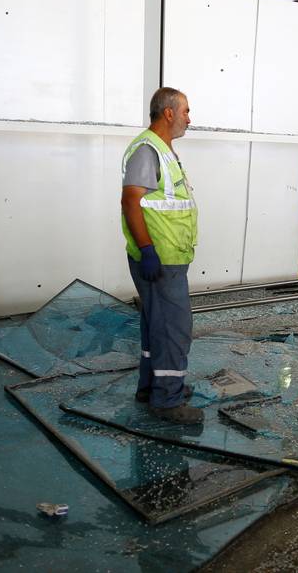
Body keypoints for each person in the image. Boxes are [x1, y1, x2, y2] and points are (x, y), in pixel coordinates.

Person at [120, 87, 202, 424]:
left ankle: (152, 387)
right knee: (174, 329)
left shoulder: (163, 150)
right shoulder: (148, 150)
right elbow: (131, 201)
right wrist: (148, 250)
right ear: (168, 113)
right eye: (185, 111)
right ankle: (167, 401)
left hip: (168, 256)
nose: (188, 118)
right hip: (160, 258)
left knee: (157, 324)